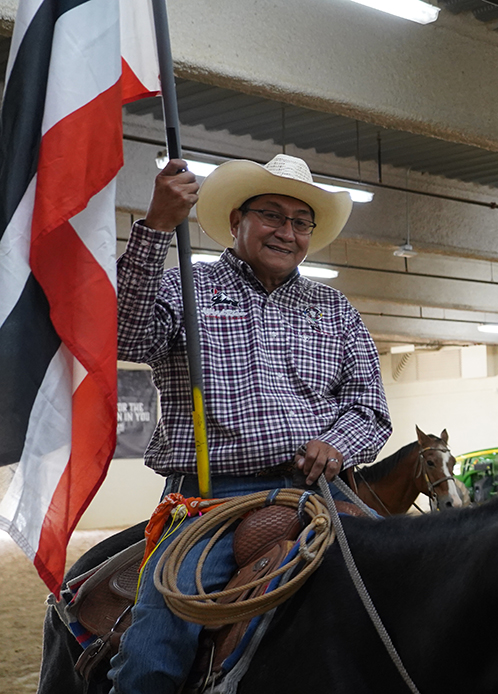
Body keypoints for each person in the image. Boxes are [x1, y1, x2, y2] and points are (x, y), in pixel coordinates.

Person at [108, 154, 392, 693]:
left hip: (320, 492)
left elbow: (369, 407)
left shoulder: (335, 308)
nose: (287, 232)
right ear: (236, 220)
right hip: (214, 501)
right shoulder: (186, 288)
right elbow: (125, 337)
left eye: (300, 221)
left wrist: (336, 443)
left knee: (411, 591)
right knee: (153, 653)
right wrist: (158, 228)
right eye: (271, 215)